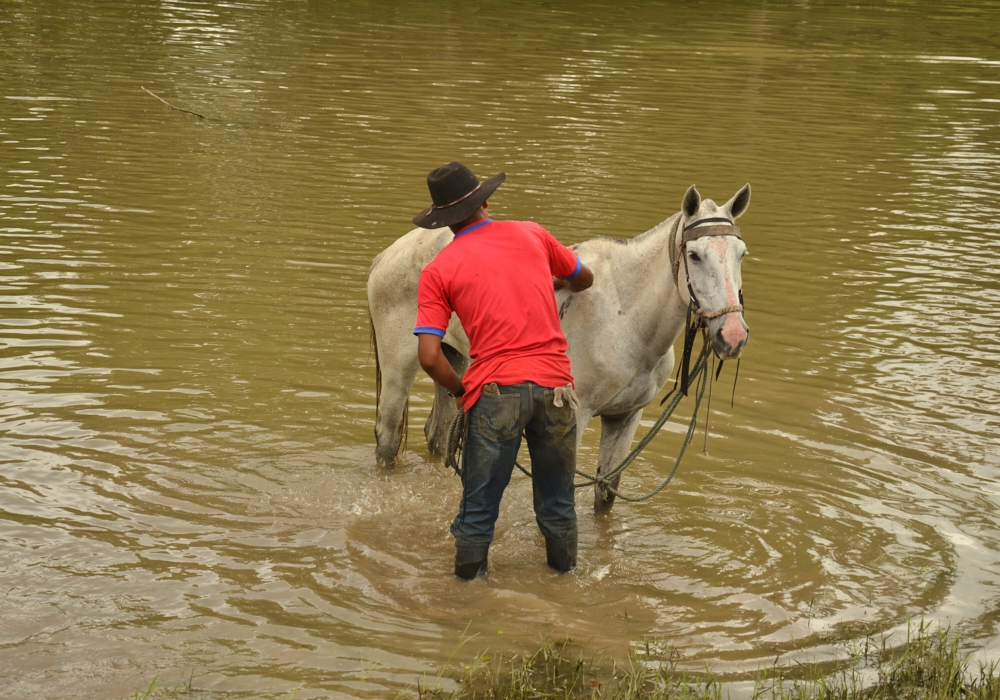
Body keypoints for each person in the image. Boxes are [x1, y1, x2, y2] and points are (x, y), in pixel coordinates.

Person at [411, 161, 594, 579]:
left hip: (494, 394)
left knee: (478, 513)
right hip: (556, 388)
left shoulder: (438, 270)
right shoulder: (533, 233)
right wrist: (557, 282)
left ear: (443, 221)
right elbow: (585, 278)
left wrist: (460, 389)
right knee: (559, 507)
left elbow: (428, 355)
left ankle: (465, 605)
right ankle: (565, 590)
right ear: (485, 201)